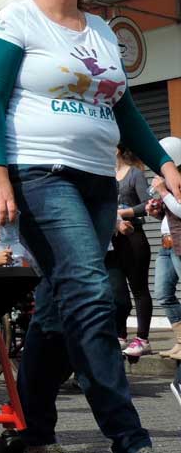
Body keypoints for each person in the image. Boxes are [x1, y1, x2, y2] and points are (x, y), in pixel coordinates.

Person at [0, 0, 180, 453]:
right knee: (89, 290)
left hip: (95, 181)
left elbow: (125, 107)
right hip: (39, 173)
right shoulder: (15, 21)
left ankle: (30, 431)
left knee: (55, 308)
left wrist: (163, 162)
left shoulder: (102, 30)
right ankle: (129, 436)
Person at [113, 145, 154, 357]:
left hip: (133, 237)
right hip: (112, 241)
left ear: (118, 149)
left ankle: (143, 338)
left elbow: (148, 204)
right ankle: (120, 335)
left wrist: (122, 212)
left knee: (139, 289)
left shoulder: (134, 174)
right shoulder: (106, 176)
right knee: (117, 292)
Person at [148, 136, 181, 362]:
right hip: (165, 245)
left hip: (179, 244)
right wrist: (156, 210)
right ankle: (180, 341)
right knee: (162, 293)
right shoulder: (168, 181)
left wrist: (163, 191)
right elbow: (170, 213)